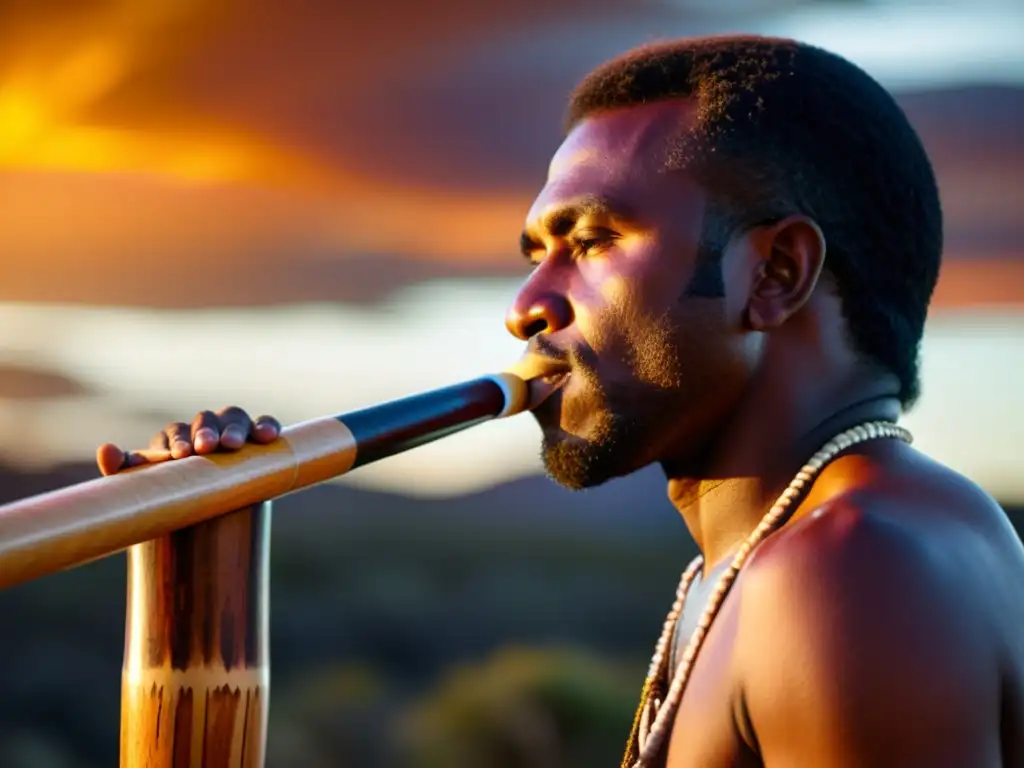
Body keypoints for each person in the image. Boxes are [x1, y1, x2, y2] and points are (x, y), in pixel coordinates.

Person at [97, 35, 1024, 767]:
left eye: (590, 240)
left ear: (772, 273)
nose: (525, 306)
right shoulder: (781, 556)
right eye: (535, 250)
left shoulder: (846, 569)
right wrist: (198, 579)